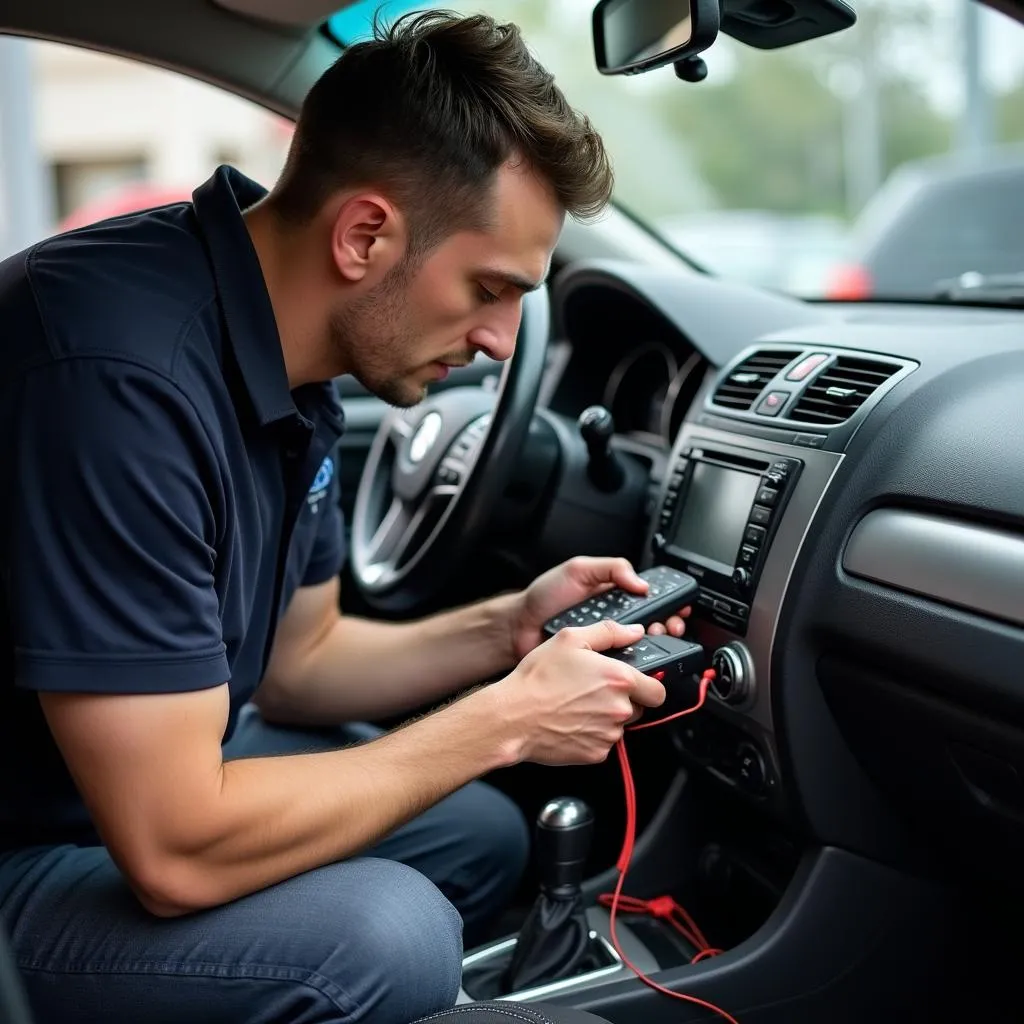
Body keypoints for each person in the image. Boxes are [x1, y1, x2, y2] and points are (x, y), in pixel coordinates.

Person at [0, 11, 690, 1024]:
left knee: (478, 835)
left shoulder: (298, 339)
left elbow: (300, 659)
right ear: (365, 235)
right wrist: (505, 720)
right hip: (34, 840)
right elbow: (175, 849)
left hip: (112, 791)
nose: (502, 342)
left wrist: (507, 629)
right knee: (390, 932)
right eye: (488, 288)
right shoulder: (114, 380)